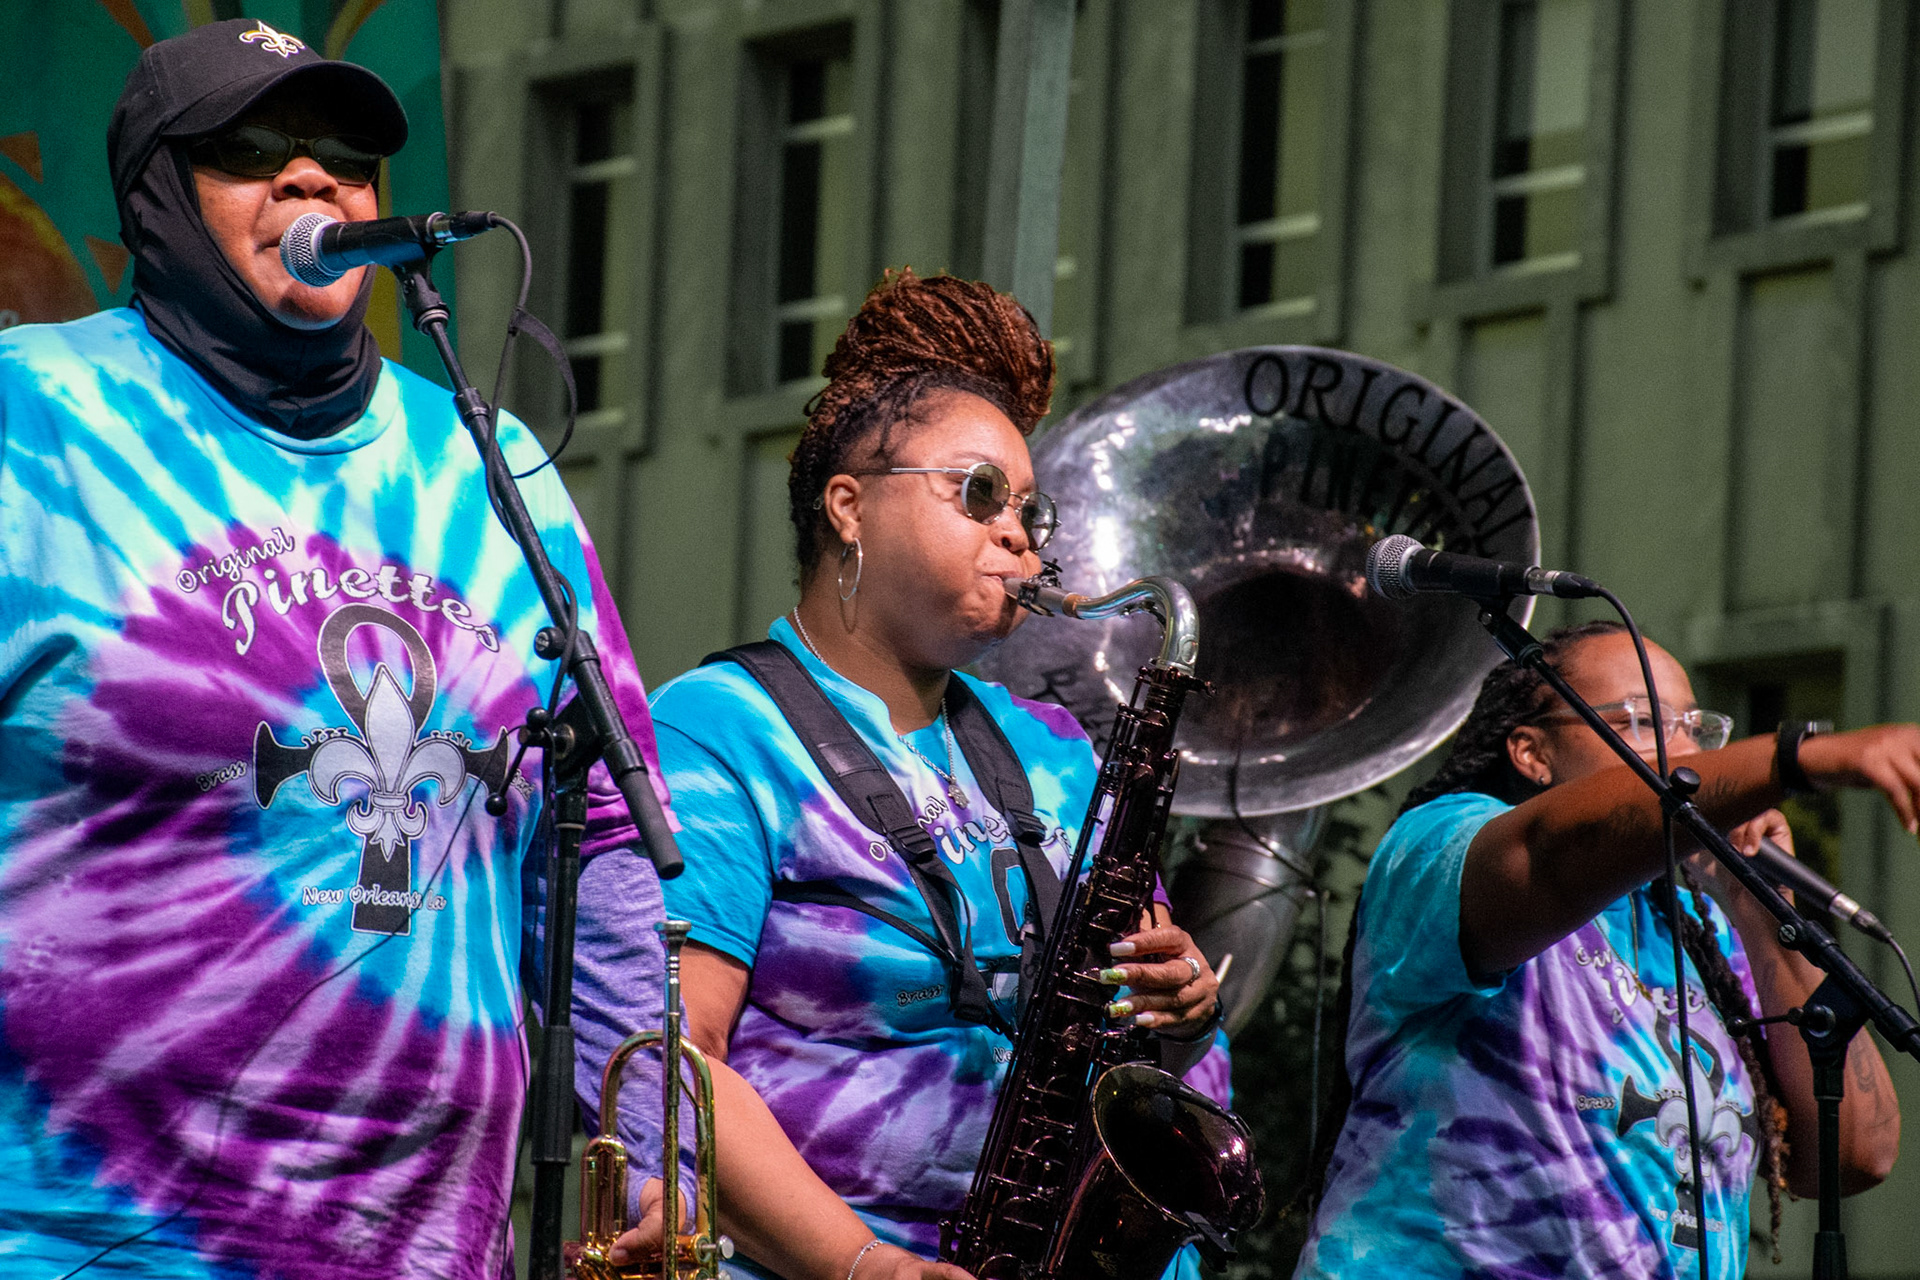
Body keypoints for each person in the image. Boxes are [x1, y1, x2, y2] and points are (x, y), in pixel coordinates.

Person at [0, 19, 673, 1279]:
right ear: (159, 196)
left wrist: (642, 1127)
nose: (315, 181)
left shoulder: (490, 464)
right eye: (255, 150)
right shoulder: (30, 418)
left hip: (427, 1247)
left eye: (349, 159)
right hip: (84, 1236)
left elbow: (608, 830)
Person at [572, 269, 1231, 1280]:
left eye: (1027, 509)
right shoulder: (719, 728)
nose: (1018, 533)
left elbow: (1152, 1053)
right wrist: (869, 1264)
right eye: (978, 493)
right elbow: (672, 1055)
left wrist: (1180, 1009)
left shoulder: (1060, 747)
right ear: (850, 506)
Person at [1295, 620, 1911, 1279]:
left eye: (1700, 732)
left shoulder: (1699, 929)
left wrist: (1761, 908)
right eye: (1645, 722)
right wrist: (1789, 760)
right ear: (1532, 752)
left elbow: (1856, 1156)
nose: (1684, 751)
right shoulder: (1441, 845)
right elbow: (1550, 854)